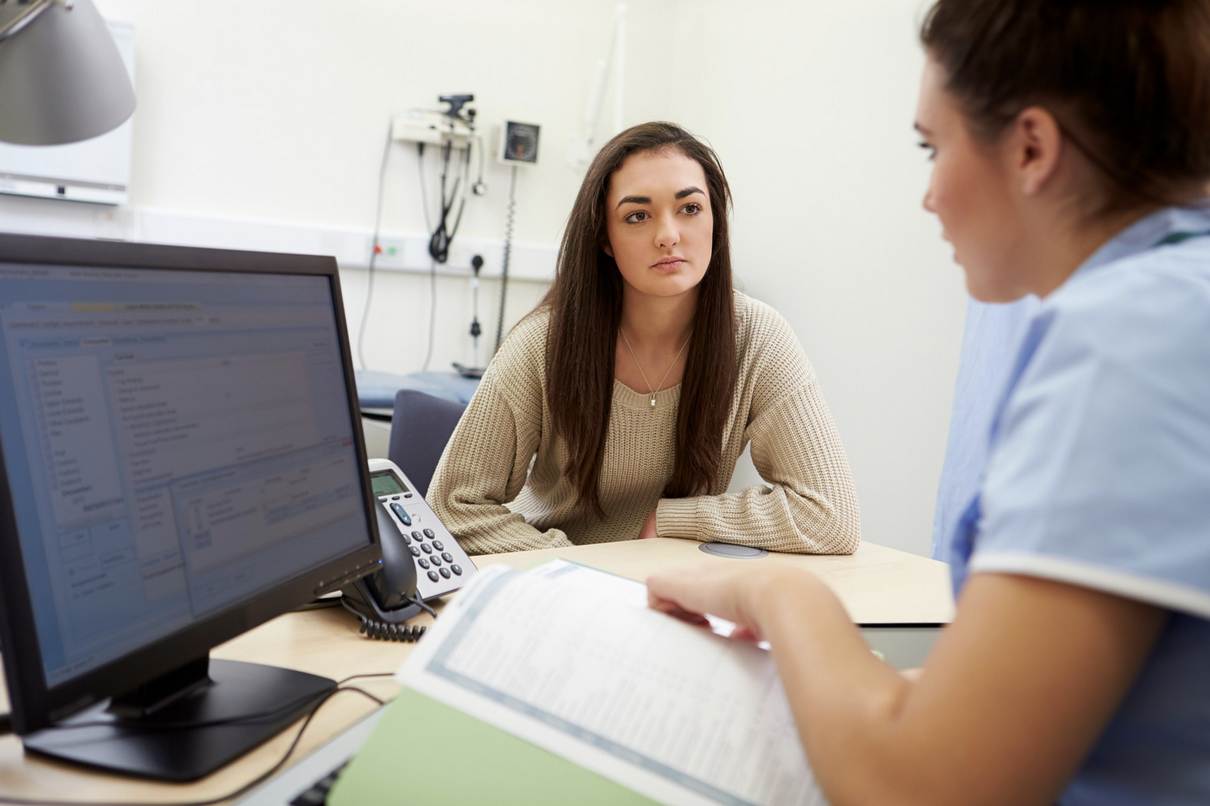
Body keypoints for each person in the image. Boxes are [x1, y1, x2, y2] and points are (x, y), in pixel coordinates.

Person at [648, 1, 1210, 804]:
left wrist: (776, 593)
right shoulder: (1181, 299)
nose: (929, 196)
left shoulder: (1126, 340)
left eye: (931, 147)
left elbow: (922, 788)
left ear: (1031, 148)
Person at [427, 122, 861, 555]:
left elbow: (829, 515)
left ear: (716, 221)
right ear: (605, 240)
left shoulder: (759, 338)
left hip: (676, 587)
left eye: (690, 208)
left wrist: (674, 519)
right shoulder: (543, 343)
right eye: (637, 215)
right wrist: (573, 563)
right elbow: (451, 509)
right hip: (563, 585)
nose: (668, 235)